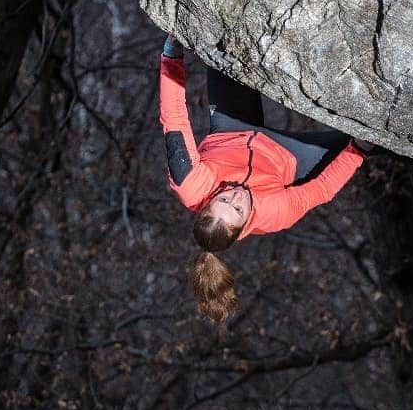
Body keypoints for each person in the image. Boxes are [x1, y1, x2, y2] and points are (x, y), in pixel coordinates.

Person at [159, 34, 373, 322]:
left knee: (219, 44)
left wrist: (171, 57)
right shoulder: (275, 214)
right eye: (237, 210)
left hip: (231, 129)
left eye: (223, 199)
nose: (236, 196)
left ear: (207, 200)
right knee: (365, 138)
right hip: (289, 157)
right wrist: (358, 150)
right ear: (245, 224)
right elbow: (322, 189)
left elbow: (174, 117)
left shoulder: (189, 182)